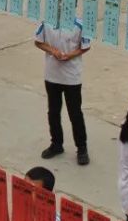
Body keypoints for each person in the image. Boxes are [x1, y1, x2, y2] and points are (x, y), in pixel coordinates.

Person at [34, 11, 91, 166]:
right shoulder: (47, 21)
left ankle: (82, 148)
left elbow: (85, 46)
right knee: (53, 111)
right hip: (52, 75)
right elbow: (38, 41)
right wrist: (52, 51)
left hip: (72, 77)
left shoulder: (79, 24)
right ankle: (56, 144)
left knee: (75, 113)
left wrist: (70, 55)